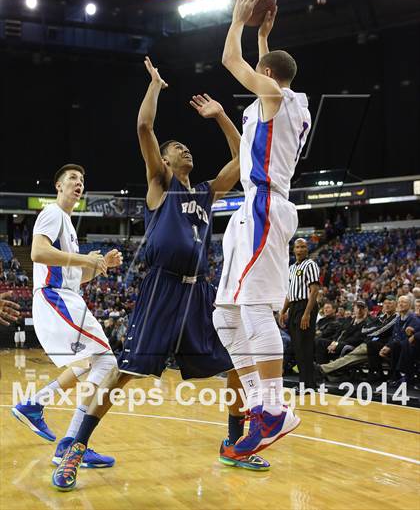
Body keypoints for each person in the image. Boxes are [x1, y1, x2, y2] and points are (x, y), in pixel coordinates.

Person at [52, 56, 269, 492]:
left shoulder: (206, 192)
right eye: (177, 148)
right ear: (165, 161)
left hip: (199, 294)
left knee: (233, 365)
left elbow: (244, 159)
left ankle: (232, 443)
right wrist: (154, 86)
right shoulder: (161, 184)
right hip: (162, 288)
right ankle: (74, 446)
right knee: (126, 371)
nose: (184, 149)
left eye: (187, 148)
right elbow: (144, 129)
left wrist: (223, 116)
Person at [212, 0, 310, 461]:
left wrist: (237, 19)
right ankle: (258, 403)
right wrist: (265, 38)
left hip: (264, 207)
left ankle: (275, 409)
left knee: (253, 309)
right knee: (226, 315)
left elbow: (232, 60)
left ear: (268, 76)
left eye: (262, 69)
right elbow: (265, 73)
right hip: (253, 210)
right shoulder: (281, 98)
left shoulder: (273, 95)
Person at [12, 164, 123, 469]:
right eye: (73, 178)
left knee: (93, 363)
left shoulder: (69, 226)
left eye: (82, 180)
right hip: (54, 296)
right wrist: (85, 258)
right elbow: (37, 252)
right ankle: (70, 442)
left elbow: (75, 276)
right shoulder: (51, 213)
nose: (79, 183)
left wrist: (101, 266)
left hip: (65, 295)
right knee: (107, 362)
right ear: (58, 186)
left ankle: (37, 407)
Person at [318, 295, 398, 380]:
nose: (387, 305)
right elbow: (363, 330)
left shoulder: (392, 317)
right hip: (367, 344)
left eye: (390, 303)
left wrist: (371, 330)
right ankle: (324, 370)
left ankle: (322, 369)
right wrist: (335, 342)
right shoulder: (380, 317)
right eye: (385, 303)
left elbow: (378, 331)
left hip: (377, 345)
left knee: (350, 355)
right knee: (350, 357)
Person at [280, 238, 320, 392]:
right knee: (298, 347)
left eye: (304, 247)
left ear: (307, 249)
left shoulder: (310, 264)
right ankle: (305, 384)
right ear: (294, 250)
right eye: (298, 247)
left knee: (305, 347)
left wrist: (307, 313)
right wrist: (283, 311)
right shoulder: (291, 268)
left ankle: (308, 385)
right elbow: (290, 294)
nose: (301, 249)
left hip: (306, 306)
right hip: (294, 307)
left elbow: (314, 290)